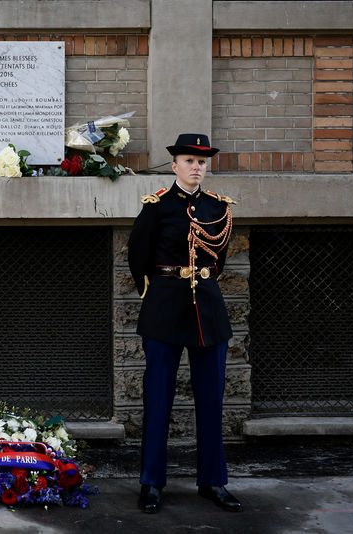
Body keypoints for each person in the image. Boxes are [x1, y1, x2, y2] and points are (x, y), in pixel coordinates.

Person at [127, 134, 241, 514]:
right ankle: (151, 483)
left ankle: (213, 481)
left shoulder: (217, 207)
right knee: (158, 397)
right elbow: (138, 257)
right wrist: (156, 292)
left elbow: (218, 259)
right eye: (189, 161)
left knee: (211, 400)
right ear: (174, 165)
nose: (197, 168)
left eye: (202, 162)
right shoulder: (157, 206)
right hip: (164, 308)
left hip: (207, 311)